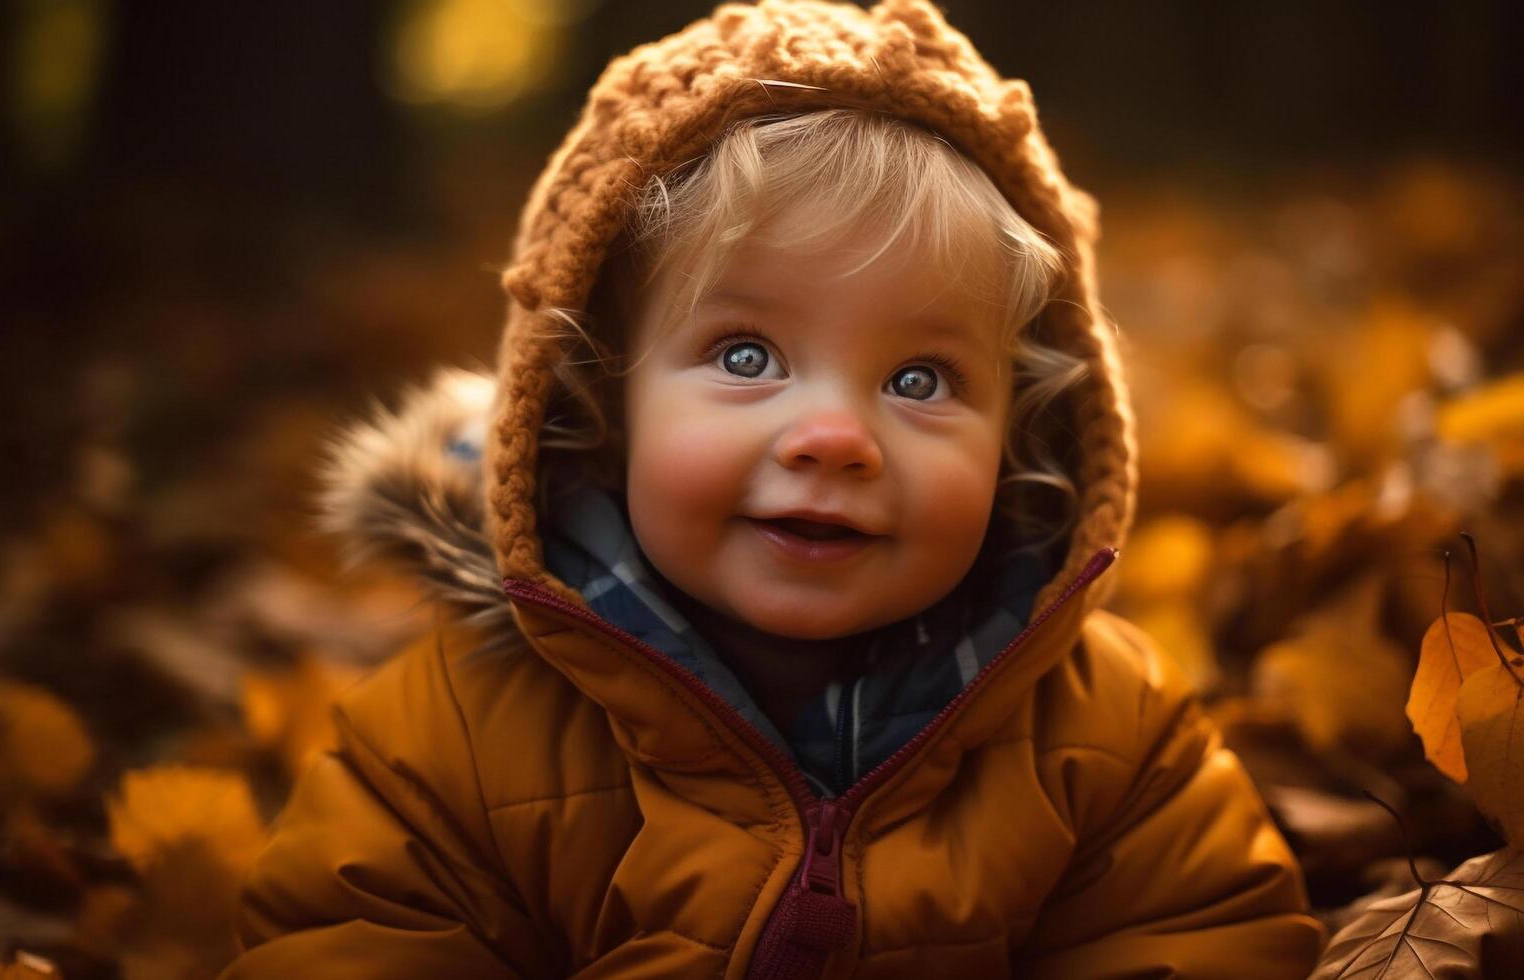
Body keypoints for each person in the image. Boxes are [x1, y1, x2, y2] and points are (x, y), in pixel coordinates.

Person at [223, 1, 1323, 976]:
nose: (835, 437)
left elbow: (1203, 930)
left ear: (1022, 431)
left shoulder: (1105, 733)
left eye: (918, 378)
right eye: (745, 357)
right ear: (597, 403)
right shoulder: (447, 736)